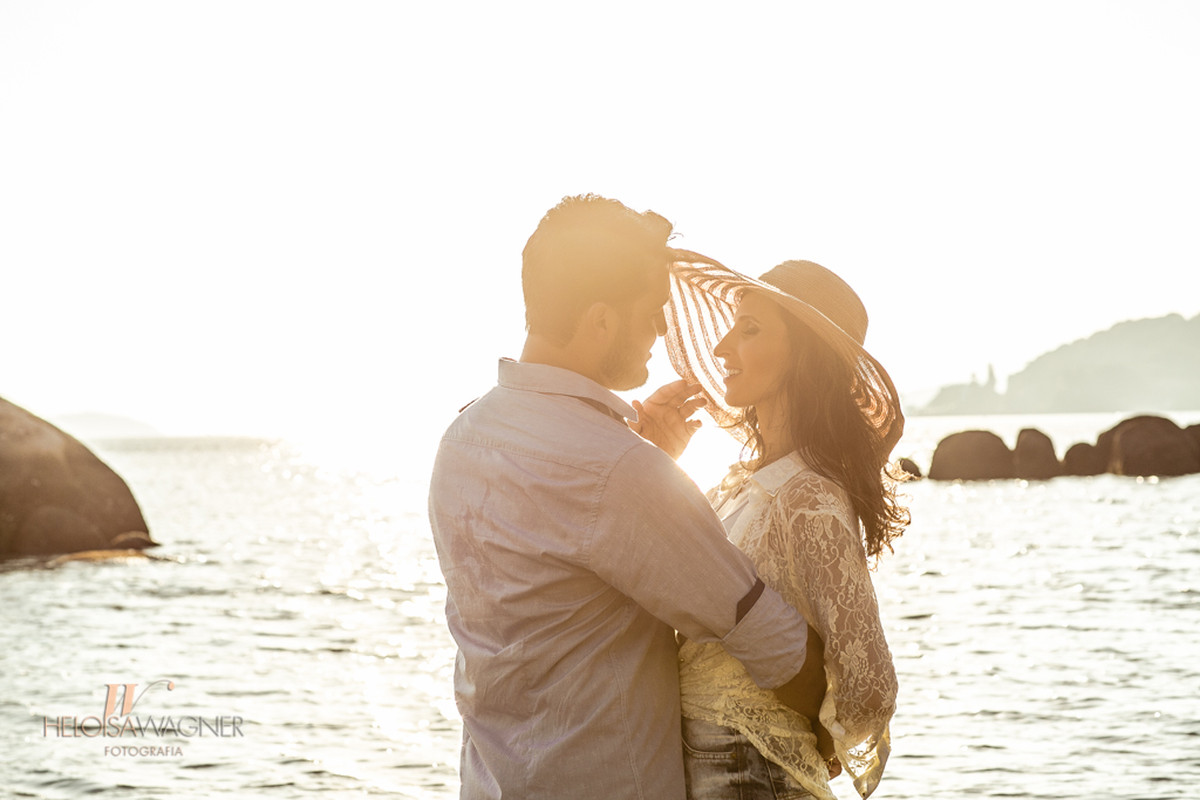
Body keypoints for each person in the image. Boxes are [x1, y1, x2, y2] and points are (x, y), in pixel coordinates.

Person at [427, 196, 823, 800]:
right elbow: (773, 643)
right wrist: (833, 729)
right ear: (602, 322)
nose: (663, 329)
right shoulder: (617, 470)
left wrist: (651, 460)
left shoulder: (462, 439)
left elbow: (558, 570)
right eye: (654, 310)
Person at [650, 254, 908, 800]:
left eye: (749, 330)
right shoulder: (744, 486)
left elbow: (870, 685)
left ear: (802, 356)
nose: (722, 348)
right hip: (714, 771)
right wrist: (660, 460)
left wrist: (815, 734)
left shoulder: (807, 495)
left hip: (754, 773)